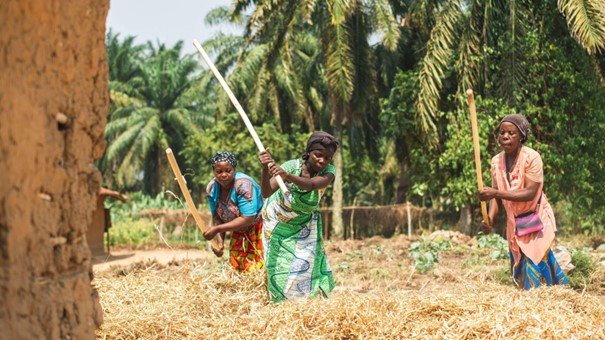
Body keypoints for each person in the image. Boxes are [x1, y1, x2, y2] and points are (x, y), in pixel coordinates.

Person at [478, 114, 568, 289]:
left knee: (535, 258)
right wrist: (489, 218)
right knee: (519, 260)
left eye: (511, 133)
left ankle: (546, 295)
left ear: (521, 136)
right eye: (502, 133)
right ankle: (526, 297)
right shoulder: (496, 162)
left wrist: (495, 192)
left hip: (536, 218)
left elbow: (529, 192)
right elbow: (496, 198)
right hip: (515, 222)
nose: (505, 136)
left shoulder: (532, 158)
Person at [258, 131, 339, 302]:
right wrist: (265, 168)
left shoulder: (329, 172)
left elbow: (312, 184)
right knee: (279, 264)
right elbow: (266, 191)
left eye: (327, 158)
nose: (322, 161)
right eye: (318, 155)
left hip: (304, 223)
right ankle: (280, 303)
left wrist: (287, 177)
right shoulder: (290, 166)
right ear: (309, 152)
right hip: (277, 222)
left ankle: (305, 301)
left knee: (306, 263)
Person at [203, 151, 264, 272]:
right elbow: (217, 216)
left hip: (258, 227)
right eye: (219, 172)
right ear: (213, 171)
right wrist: (220, 243)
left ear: (234, 169)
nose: (223, 175)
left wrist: (216, 230)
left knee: (259, 266)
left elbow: (248, 218)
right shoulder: (212, 189)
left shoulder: (243, 185)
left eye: (228, 170)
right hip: (238, 230)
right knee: (238, 266)